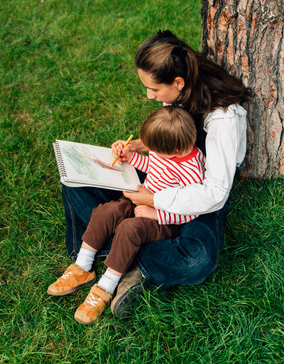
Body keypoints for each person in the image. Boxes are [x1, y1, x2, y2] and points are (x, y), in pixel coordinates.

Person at [60, 29, 251, 319]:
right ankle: (117, 250)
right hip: (161, 176)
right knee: (77, 180)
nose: (150, 96)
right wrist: (142, 146)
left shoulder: (224, 118)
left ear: (178, 83)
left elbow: (215, 192)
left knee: (198, 257)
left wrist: (154, 200)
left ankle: (133, 261)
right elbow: (170, 140)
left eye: (154, 89)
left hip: (196, 195)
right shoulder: (179, 91)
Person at [48, 106, 205, 325]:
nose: (154, 153)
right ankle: (83, 266)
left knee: (129, 229)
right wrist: (131, 156)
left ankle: (106, 287)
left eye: (157, 150)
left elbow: (192, 209)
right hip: (142, 200)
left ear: (176, 150)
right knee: (107, 211)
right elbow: (153, 166)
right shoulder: (164, 150)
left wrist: (155, 213)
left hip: (164, 219)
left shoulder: (192, 170)